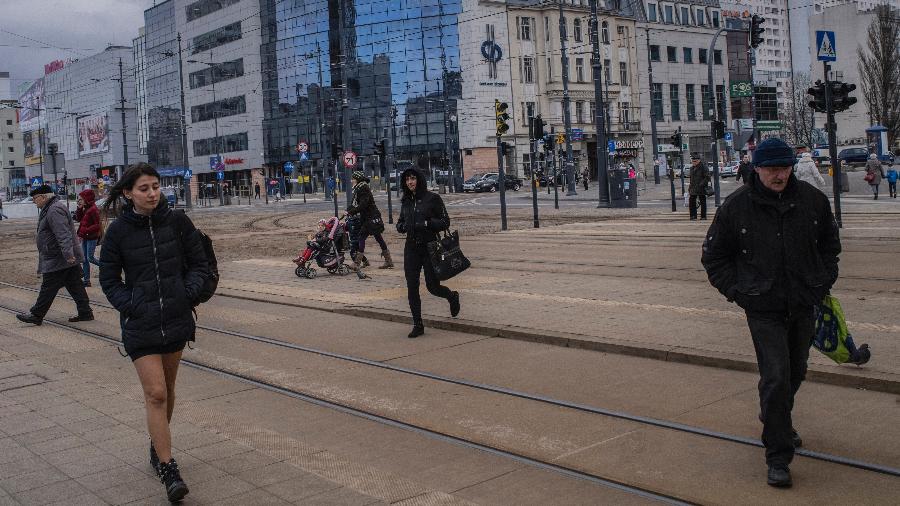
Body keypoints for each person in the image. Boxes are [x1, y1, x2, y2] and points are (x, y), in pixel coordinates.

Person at [701, 138, 841, 488]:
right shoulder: (736, 208)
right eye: (772, 169)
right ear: (757, 169)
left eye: (784, 168)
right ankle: (777, 455)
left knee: (796, 372)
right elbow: (714, 258)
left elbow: (830, 248)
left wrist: (820, 284)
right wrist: (738, 292)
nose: (779, 175)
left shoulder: (813, 202)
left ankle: (774, 415)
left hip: (803, 301)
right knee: (776, 376)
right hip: (763, 307)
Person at [99, 164, 208, 503]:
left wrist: (186, 294)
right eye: (144, 188)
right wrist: (132, 305)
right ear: (129, 193)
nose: (152, 193)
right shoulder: (118, 231)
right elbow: (108, 279)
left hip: (175, 317)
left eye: (155, 186)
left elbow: (200, 263)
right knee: (157, 393)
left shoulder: (177, 221)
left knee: (169, 388)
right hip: (141, 323)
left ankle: (155, 443)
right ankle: (167, 467)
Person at [16, 185, 93, 325]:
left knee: (48, 286)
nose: (34, 201)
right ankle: (85, 312)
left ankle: (36, 314)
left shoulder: (54, 209)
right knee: (75, 284)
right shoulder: (50, 208)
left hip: (59, 256)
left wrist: (68, 254)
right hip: (60, 255)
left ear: (44, 197)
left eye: (35, 198)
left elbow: (63, 234)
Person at [396, 168, 460, 338]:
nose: (410, 182)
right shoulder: (406, 201)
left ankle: (451, 296)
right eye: (407, 179)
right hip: (411, 248)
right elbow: (400, 222)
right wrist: (401, 227)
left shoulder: (433, 198)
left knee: (433, 286)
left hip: (430, 247)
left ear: (419, 179)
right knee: (412, 287)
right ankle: (418, 324)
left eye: (413, 178)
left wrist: (427, 223)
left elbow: (445, 222)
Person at [347, 171, 392, 270]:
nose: (351, 181)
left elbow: (363, 205)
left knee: (361, 237)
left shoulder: (362, 188)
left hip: (370, 218)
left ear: (357, 179)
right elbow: (355, 204)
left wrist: (351, 212)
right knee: (378, 238)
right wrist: (348, 211)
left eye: (353, 179)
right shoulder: (360, 188)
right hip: (371, 217)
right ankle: (388, 261)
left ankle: (357, 262)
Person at [74, 189, 101, 287]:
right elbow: (78, 219)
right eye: (78, 199)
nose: (79, 201)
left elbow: (98, 225)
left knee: (90, 258)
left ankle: (106, 267)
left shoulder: (93, 209)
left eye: (81, 199)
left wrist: (86, 231)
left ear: (87, 199)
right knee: (84, 259)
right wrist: (79, 208)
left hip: (91, 237)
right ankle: (86, 281)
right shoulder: (85, 208)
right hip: (84, 237)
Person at [688, 154, 710, 220]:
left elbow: (707, 177)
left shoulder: (703, 167)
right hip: (693, 187)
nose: (693, 162)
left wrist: (701, 184)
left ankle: (703, 216)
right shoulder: (692, 168)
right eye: (692, 161)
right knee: (691, 201)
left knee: (702, 201)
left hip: (701, 188)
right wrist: (690, 187)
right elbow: (691, 179)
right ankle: (693, 216)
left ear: (699, 161)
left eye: (695, 161)